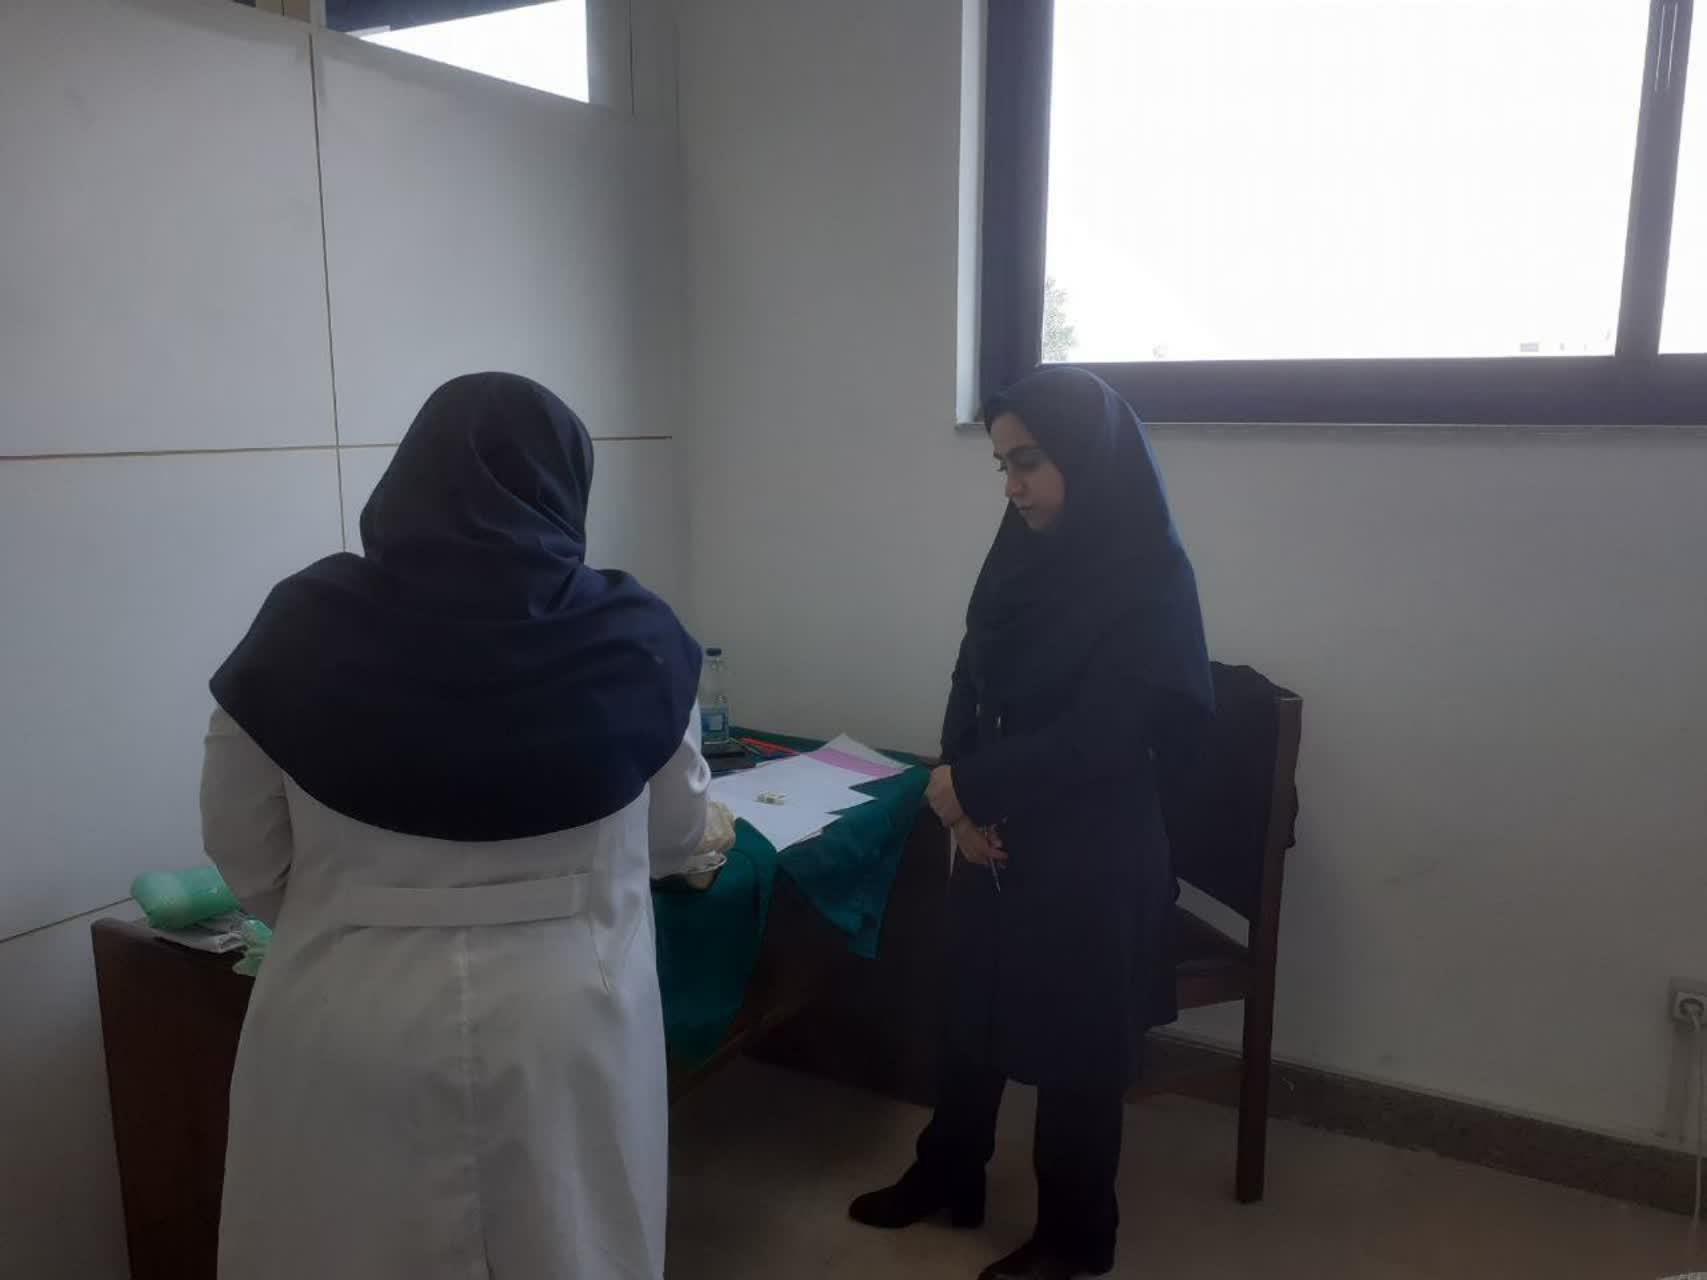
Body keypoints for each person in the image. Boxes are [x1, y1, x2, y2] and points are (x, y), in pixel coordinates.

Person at [200, 372, 710, 1280]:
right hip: (569, 1024)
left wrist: (354, 908)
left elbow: (246, 854)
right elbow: (674, 842)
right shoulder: (634, 636)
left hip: (345, 1011)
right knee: (573, 1248)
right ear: (567, 485)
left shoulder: (301, 626)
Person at [849, 367, 1212, 1280]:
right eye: (1002, 464)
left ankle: (1076, 1235)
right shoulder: (1018, 552)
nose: (1011, 485)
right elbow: (970, 674)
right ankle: (949, 1173)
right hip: (1000, 821)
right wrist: (959, 794)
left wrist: (968, 788)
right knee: (965, 1010)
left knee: (1077, 1048)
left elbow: (1106, 736)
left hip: (1094, 842)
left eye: (1029, 461)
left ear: (1089, 459)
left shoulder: (1149, 577)